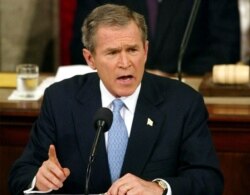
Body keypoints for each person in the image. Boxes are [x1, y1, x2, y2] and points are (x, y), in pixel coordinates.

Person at [9, 4, 223, 195]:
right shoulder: (61, 99)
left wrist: (160, 188)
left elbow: (209, 180)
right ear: (90, 58)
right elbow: (21, 175)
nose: (125, 62)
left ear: (146, 50)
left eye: (132, 50)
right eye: (112, 53)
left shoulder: (183, 103)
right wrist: (39, 180)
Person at [70, 0, 240, 75]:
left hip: (188, 89)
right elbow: (82, 47)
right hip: (116, 94)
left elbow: (226, 50)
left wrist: (171, 77)